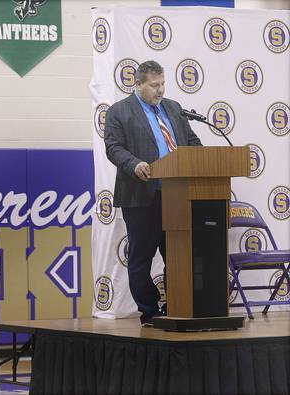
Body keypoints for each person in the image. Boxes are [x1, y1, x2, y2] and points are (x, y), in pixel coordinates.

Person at [104, 60, 203, 325]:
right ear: (138, 84)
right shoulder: (119, 111)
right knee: (141, 257)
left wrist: (202, 159)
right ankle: (149, 310)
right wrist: (134, 164)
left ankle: (178, 305)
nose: (160, 90)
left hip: (176, 195)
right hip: (142, 195)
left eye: (163, 84)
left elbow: (191, 142)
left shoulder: (174, 108)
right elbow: (113, 147)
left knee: (178, 255)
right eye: (154, 85)